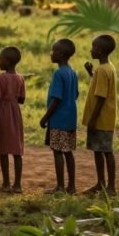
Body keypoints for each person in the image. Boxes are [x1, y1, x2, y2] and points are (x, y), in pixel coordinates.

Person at [40, 38, 79, 195]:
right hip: (70, 118)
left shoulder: (58, 73)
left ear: (61, 54)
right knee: (68, 152)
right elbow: (75, 95)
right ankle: (72, 186)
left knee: (57, 151)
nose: (51, 54)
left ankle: (60, 186)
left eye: (53, 51)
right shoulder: (72, 72)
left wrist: (45, 117)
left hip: (58, 119)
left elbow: (56, 98)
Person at [83, 34, 118, 195]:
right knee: (98, 151)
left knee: (106, 151)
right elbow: (100, 87)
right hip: (104, 118)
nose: (91, 50)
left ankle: (110, 186)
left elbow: (101, 97)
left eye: (93, 47)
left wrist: (93, 119)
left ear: (101, 50)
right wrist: (91, 73)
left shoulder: (103, 70)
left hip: (101, 119)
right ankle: (101, 183)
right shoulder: (107, 67)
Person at [0, 46, 25, 193]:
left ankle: (6, 183)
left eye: (1, 59)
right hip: (15, 113)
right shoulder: (20, 77)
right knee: (17, 150)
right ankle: (17, 185)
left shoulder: (0, 77)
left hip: (3, 113)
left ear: (8, 61)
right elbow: (21, 99)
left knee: (3, 150)